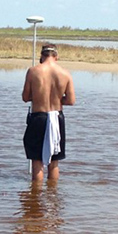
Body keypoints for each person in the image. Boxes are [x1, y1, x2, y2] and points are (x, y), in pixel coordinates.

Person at [22, 44, 76, 182]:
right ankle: (52, 197)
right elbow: (71, 100)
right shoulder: (65, 73)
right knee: (54, 161)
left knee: (37, 160)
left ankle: (35, 199)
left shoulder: (33, 71)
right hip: (57, 117)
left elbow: (25, 97)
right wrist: (57, 98)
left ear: (41, 56)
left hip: (38, 117)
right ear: (56, 56)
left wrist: (39, 97)